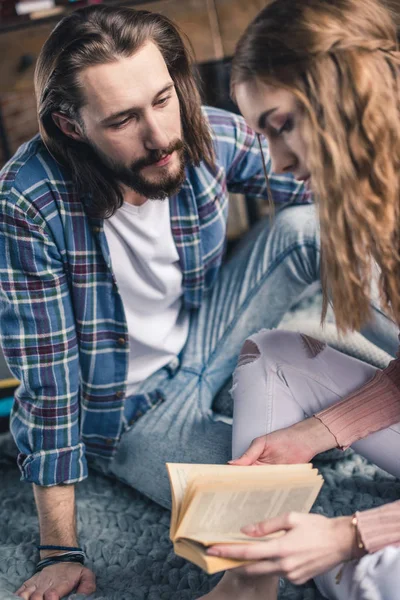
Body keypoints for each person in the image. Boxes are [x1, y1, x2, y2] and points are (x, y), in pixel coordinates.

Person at [0, 4, 321, 599]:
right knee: (267, 499)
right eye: (123, 120)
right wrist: (59, 549)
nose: (159, 135)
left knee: (312, 227)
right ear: (73, 126)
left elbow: (340, 190)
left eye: (162, 99)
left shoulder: (201, 132)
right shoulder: (27, 203)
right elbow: (49, 382)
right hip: (129, 414)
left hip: (208, 336)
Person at [201, 1, 400, 599]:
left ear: (347, 91)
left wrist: (350, 534)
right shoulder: (372, 215)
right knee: (276, 355)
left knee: (374, 576)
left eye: (282, 124)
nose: (280, 163)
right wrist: (312, 432)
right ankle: (250, 580)